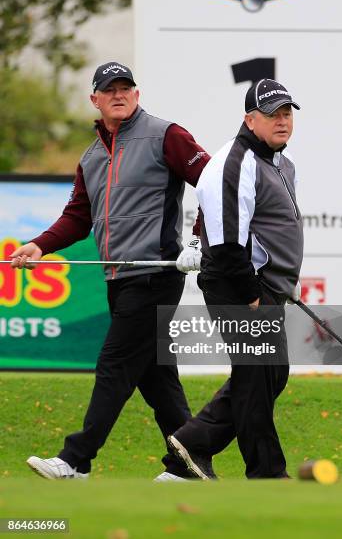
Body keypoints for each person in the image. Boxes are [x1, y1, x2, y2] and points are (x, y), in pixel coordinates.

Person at [10, 61, 209, 481]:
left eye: (126, 88)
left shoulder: (165, 135)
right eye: (110, 89)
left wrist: (198, 239)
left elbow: (214, 183)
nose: (119, 94)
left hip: (155, 274)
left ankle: (75, 459)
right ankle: (191, 462)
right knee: (157, 378)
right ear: (95, 100)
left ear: (137, 94)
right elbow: (78, 217)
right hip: (117, 278)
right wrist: (39, 245)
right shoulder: (91, 157)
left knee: (115, 364)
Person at [166, 79, 304, 480]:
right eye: (272, 114)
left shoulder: (282, 161)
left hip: (264, 286)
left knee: (268, 373)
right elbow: (228, 243)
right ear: (250, 119)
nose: (282, 121)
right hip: (238, 284)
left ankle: (190, 448)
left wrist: (279, 282)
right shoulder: (235, 162)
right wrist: (251, 295)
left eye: (287, 113)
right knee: (257, 376)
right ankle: (267, 473)